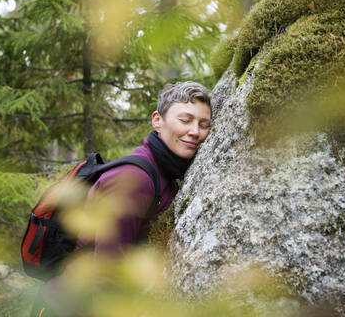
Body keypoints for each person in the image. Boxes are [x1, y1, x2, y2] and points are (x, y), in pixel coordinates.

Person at [32, 81, 212, 316]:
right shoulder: (135, 179)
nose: (195, 131)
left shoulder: (164, 172)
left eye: (204, 124)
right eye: (185, 120)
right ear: (157, 120)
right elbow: (108, 273)